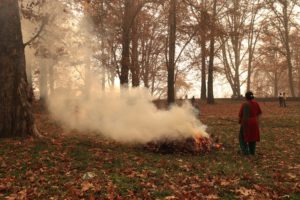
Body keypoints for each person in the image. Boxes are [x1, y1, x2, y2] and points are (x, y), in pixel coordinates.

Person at [238, 91, 262, 155]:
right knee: (253, 138)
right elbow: (259, 113)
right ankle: (252, 152)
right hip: (254, 122)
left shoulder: (245, 104)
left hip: (246, 122)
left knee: (242, 137)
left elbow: (241, 115)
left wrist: (240, 121)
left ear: (246, 97)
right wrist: (258, 122)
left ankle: (245, 151)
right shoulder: (256, 103)